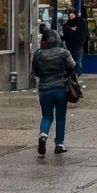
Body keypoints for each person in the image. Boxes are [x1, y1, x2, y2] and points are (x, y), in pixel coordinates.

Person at [31, 28, 76, 156]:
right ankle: (59, 144)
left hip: (44, 89)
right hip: (60, 87)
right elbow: (72, 66)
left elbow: (35, 70)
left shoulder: (38, 54)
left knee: (46, 116)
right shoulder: (63, 52)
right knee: (60, 116)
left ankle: (43, 135)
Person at [61, 10, 88, 75]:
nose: (71, 16)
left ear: (76, 15)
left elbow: (82, 34)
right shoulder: (67, 23)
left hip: (77, 46)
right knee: (69, 62)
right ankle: (71, 76)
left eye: (73, 14)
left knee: (77, 62)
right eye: (70, 15)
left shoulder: (81, 22)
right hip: (69, 46)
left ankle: (77, 76)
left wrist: (71, 31)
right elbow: (66, 33)